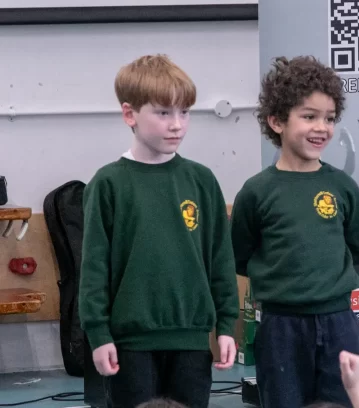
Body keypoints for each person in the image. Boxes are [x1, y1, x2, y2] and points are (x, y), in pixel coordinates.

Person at [79, 55, 239, 408]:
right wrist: (98, 334)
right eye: (163, 113)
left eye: (184, 112)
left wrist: (226, 325)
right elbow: (93, 269)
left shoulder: (201, 181)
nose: (177, 125)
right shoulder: (108, 184)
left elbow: (220, 261)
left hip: (192, 342)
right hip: (130, 346)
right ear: (129, 114)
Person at [230, 56, 359, 408]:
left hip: (339, 323)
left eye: (329, 118)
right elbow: (241, 255)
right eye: (309, 116)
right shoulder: (256, 191)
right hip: (280, 327)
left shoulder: (343, 186)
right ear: (276, 121)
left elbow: (356, 247)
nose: (321, 127)